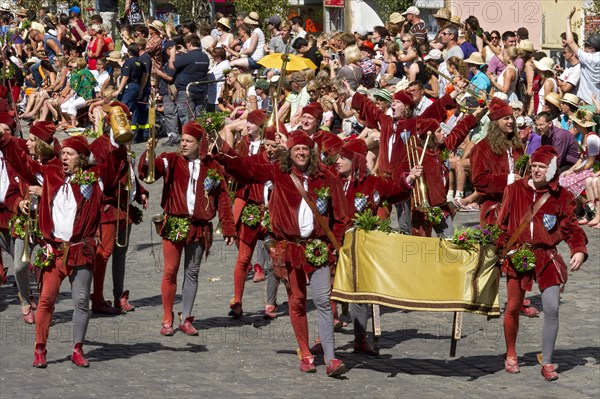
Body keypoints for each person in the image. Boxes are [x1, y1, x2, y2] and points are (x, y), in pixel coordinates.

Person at [214, 129, 350, 377]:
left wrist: (333, 243)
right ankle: (305, 353)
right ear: (290, 152)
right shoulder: (279, 172)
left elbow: (341, 216)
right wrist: (223, 151)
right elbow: (247, 170)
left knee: (322, 300)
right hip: (289, 248)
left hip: (317, 248)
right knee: (297, 301)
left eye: (305, 149)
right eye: (297, 148)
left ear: (312, 152)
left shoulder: (327, 177)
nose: (301, 152)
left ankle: (331, 358)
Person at [0, 130, 121, 368]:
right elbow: (22, 162)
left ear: (81, 158)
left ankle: (77, 348)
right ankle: (40, 349)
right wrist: (4, 139)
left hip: (81, 250)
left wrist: (116, 138)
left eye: (70, 154)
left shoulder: (94, 178)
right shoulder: (50, 174)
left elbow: (112, 161)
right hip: (53, 250)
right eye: (62, 153)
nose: (64, 157)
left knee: (81, 302)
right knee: (46, 301)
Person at [496, 145, 587, 381]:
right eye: (534, 166)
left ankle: (546, 362)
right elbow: (501, 224)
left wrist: (578, 250)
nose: (536, 170)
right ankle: (511, 354)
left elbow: (572, 229)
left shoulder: (563, 196)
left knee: (552, 307)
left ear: (552, 169)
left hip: (547, 256)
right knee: (514, 307)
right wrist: (503, 248)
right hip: (518, 254)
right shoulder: (514, 190)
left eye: (542, 167)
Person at [138, 121, 236, 336]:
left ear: (200, 143)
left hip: (200, 227)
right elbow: (148, 172)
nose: (183, 144)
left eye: (188, 141)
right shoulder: (170, 160)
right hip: (174, 223)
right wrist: (148, 152)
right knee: (170, 271)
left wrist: (228, 227)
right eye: (182, 140)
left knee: (192, 273)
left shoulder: (213, 167)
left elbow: (223, 199)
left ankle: (187, 316)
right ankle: (167, 317)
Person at [335, 138, 422, 353]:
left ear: (355, 161)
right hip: (333, 244)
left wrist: (409, 178)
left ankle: (360, 340)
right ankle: (324, 340)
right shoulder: (330, 179)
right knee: (329, 293)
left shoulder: (372, 183)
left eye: (342, 158)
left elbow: (394, 190)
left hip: (361, 248)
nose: (337, 161)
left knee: (359, 294)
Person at [89, 102, 149, 314]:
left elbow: (129, 174)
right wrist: (116, 152)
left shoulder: (124, 146)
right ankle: (97, 299)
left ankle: (117, 296)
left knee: (120, 254)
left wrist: (140, 192)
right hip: (108, 208)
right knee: (103, 253)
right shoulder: (99, 146)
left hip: (124, 207)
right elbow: (103, 179)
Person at [5, 121, 60, 325]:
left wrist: (45, 191)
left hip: (49, 224)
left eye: (30, 140)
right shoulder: (23, 163)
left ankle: (46, 307)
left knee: (46, 269)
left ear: (41, 143)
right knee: (20, 266)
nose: (26, 143)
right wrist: (19, 203)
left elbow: (65, 195)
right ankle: (25, 300)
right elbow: (11, 192)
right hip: (25, 222)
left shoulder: (56, 166)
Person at [471, 98, 524, 225]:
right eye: (506, 118)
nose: (511, 121)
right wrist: (508, 180)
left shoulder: (518, 146)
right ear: (495, 122)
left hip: (517, 208)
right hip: (494, 209)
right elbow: (479, 180)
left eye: (511, 118)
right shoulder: (482, 147)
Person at [168, 34, 210, 125]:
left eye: (186, 44)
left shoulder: (188, 56)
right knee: (200, 117)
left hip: (186, 91)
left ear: (190, 44)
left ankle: (189, 136)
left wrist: (172, 53)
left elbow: (172, 66)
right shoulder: (204, 56)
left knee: (186, 117)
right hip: (201, 90)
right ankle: (200, 136)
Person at [565, 6, 600, 105]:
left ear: (592, 48)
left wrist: (568, 19)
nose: (584, 48)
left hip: (586, 102)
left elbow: (570, 41)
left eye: (586, 46)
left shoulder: (587, 58)